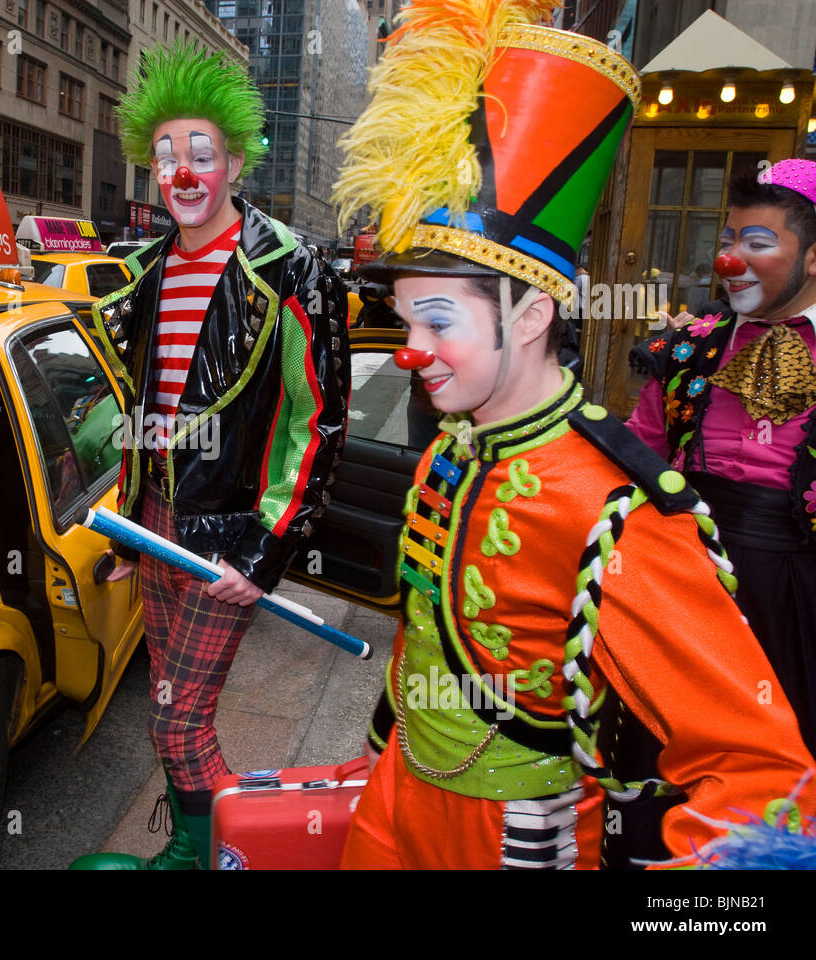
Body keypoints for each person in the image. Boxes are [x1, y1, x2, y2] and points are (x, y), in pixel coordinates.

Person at [331, 0, 814, 869]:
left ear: (531, 314)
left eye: (437, 322)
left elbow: (763, 770)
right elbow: (423, 638)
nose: (409, 352)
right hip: (393, 806)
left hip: (518, 843)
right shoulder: (452, 448)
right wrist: (376, 759)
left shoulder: (618, 508)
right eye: (404, 321)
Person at [70, 39, 350, 870]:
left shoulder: (288, 268)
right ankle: (201, 849)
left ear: (233, 160)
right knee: (169, 698)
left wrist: (266, 553)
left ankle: (216, 857)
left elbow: (321, 422)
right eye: (166, 156)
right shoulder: (146, 269)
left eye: (200, 154)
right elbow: (145, 414)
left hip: (227, 530)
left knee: (178, 717)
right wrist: (129, 527)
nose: (183, 171)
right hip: (158, 522)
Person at [627, 158, 816, 756]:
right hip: (686, 571)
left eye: (757, 243)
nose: (730, 259)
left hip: (795, 591)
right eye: (727, 240)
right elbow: (641, 452)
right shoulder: (687, 347)